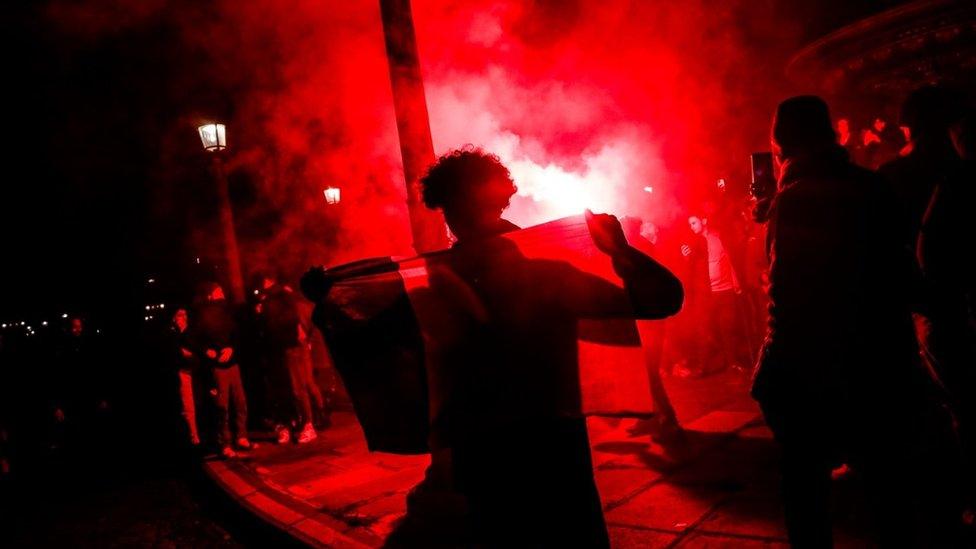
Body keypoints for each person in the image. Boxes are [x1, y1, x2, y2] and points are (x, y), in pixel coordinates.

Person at [415, 147, 683, 547]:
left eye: (458, 209)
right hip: (549, 455)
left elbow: (662, 299)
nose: (456, 222)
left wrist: (332, 301)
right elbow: (662, 298)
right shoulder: (542, 277)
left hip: (496, 460)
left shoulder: (446, 286)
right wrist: (621, 252)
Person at [754, 95, 959, 547]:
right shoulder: (872, 187)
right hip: (877, 365)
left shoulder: (792, 200)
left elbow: (784, 292)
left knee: (807, 500)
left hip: (807, 369)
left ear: (782, 143)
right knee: (889, 498)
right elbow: (902, 273)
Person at [256, 273, 324, 444]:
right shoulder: (276, 298)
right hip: (283, 348)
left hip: (291, 346)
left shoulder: (279, 297)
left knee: (298, 388)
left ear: (267, 281)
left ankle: (309, 424)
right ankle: (297, 424)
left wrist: (302, 335)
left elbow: (293, 318)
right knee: (292, 389)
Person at [193, 282, 251, 459]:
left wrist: (232, 348)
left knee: (240, 401)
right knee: (222, 406)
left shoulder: (228, 313)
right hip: (217, 367)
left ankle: (241, 436)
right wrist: (207, 351)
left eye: (222, 290)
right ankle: (224, 442)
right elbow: (196, 340)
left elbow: (237, 335)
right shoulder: (203, 315)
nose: (222, 294)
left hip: (233, 364)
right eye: (218, 291)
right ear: (210, 295)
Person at [688, 214, 752, 373]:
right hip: (707, 294)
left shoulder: (717, 238)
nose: (692, 226)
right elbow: (690, 267)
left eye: (694, 222)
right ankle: (703, 366)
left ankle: (732, 362)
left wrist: (735, 281)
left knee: (728, 328)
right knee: (704, 329)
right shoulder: (693, 242)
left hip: (725, 290)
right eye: (690, 224)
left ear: (703, 222)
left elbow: (728, 259)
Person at [167, 308, 201, 446]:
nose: (184, 317)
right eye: (180, 315)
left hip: (193, 371)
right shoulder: (172, 334)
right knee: (187, 405)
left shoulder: (191, 332)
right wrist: (181, 352)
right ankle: (193, 435)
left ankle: (197, 434)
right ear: (174, 318)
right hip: (182, 372)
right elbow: (174, 352)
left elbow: (197, 350)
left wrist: (189, 353)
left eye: (185, 314)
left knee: (195, 402)